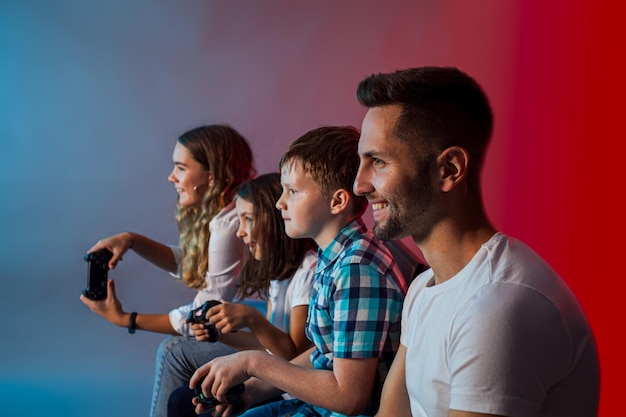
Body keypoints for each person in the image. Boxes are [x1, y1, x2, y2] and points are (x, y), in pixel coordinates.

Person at [352, 66, 600, 417]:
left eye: (378, 161)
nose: (359, 186)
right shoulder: (424, 288)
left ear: (450, 169)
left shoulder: (500, 306)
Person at [189, 126, 408, 417]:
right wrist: (247, 394)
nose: (280, 203)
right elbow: (325, 355)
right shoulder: (335, 257)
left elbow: (349, 397)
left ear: (337, 201)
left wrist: (252, 363)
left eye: (292, 191)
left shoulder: (357, 270)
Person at [79, 124, 255, 416]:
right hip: (257, 321)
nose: (171, 177)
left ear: (211, 175)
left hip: (269, 330)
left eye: (181, 168)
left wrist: (127, 319)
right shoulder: (229, 214)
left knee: (174, 350)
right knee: (177, 349)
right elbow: (193, 264)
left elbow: (203, 315)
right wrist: (133, 241)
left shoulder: (228, 225)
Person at [161, 173, 318, 417]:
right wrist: (222, 336)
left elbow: (292, 355)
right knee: (182, 400)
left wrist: (251, 319)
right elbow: (270, 347)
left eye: (248, 219)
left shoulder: (308, 271)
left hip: (292, 391)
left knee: (184, 401)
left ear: (276, 220)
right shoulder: (281, 274)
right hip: (276, 381)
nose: (240, 233)